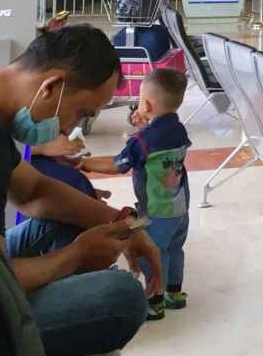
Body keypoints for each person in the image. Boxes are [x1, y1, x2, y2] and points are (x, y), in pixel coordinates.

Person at [0, 25, 159, 356]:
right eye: (81, 112)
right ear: (51, 86)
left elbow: (34, 191)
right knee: (121, 297)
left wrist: (127, 226)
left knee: (62, 223)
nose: (68, 129)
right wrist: (76, 256)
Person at [80, 69, 191, 321]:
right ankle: (175, 293)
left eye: (140, 101)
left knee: (149, 254)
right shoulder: (179, 130)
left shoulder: (141, 141)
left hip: (155, 214)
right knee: (174, 250)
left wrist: (86, 165)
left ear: (147, 104)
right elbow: (157, 145)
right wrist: (146, 125)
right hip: (180, 210)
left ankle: (154, 302)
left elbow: (118, 164)